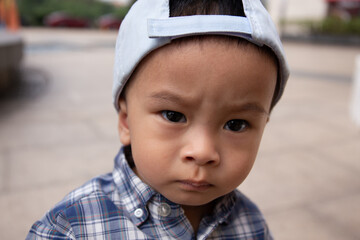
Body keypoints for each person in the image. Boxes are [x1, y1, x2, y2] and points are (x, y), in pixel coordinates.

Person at [26, 0, 289, 239]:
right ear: (126, 121)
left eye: (236, 124)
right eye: (174, 116)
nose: (203, 152)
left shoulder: (252, 224)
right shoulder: (71, 228)